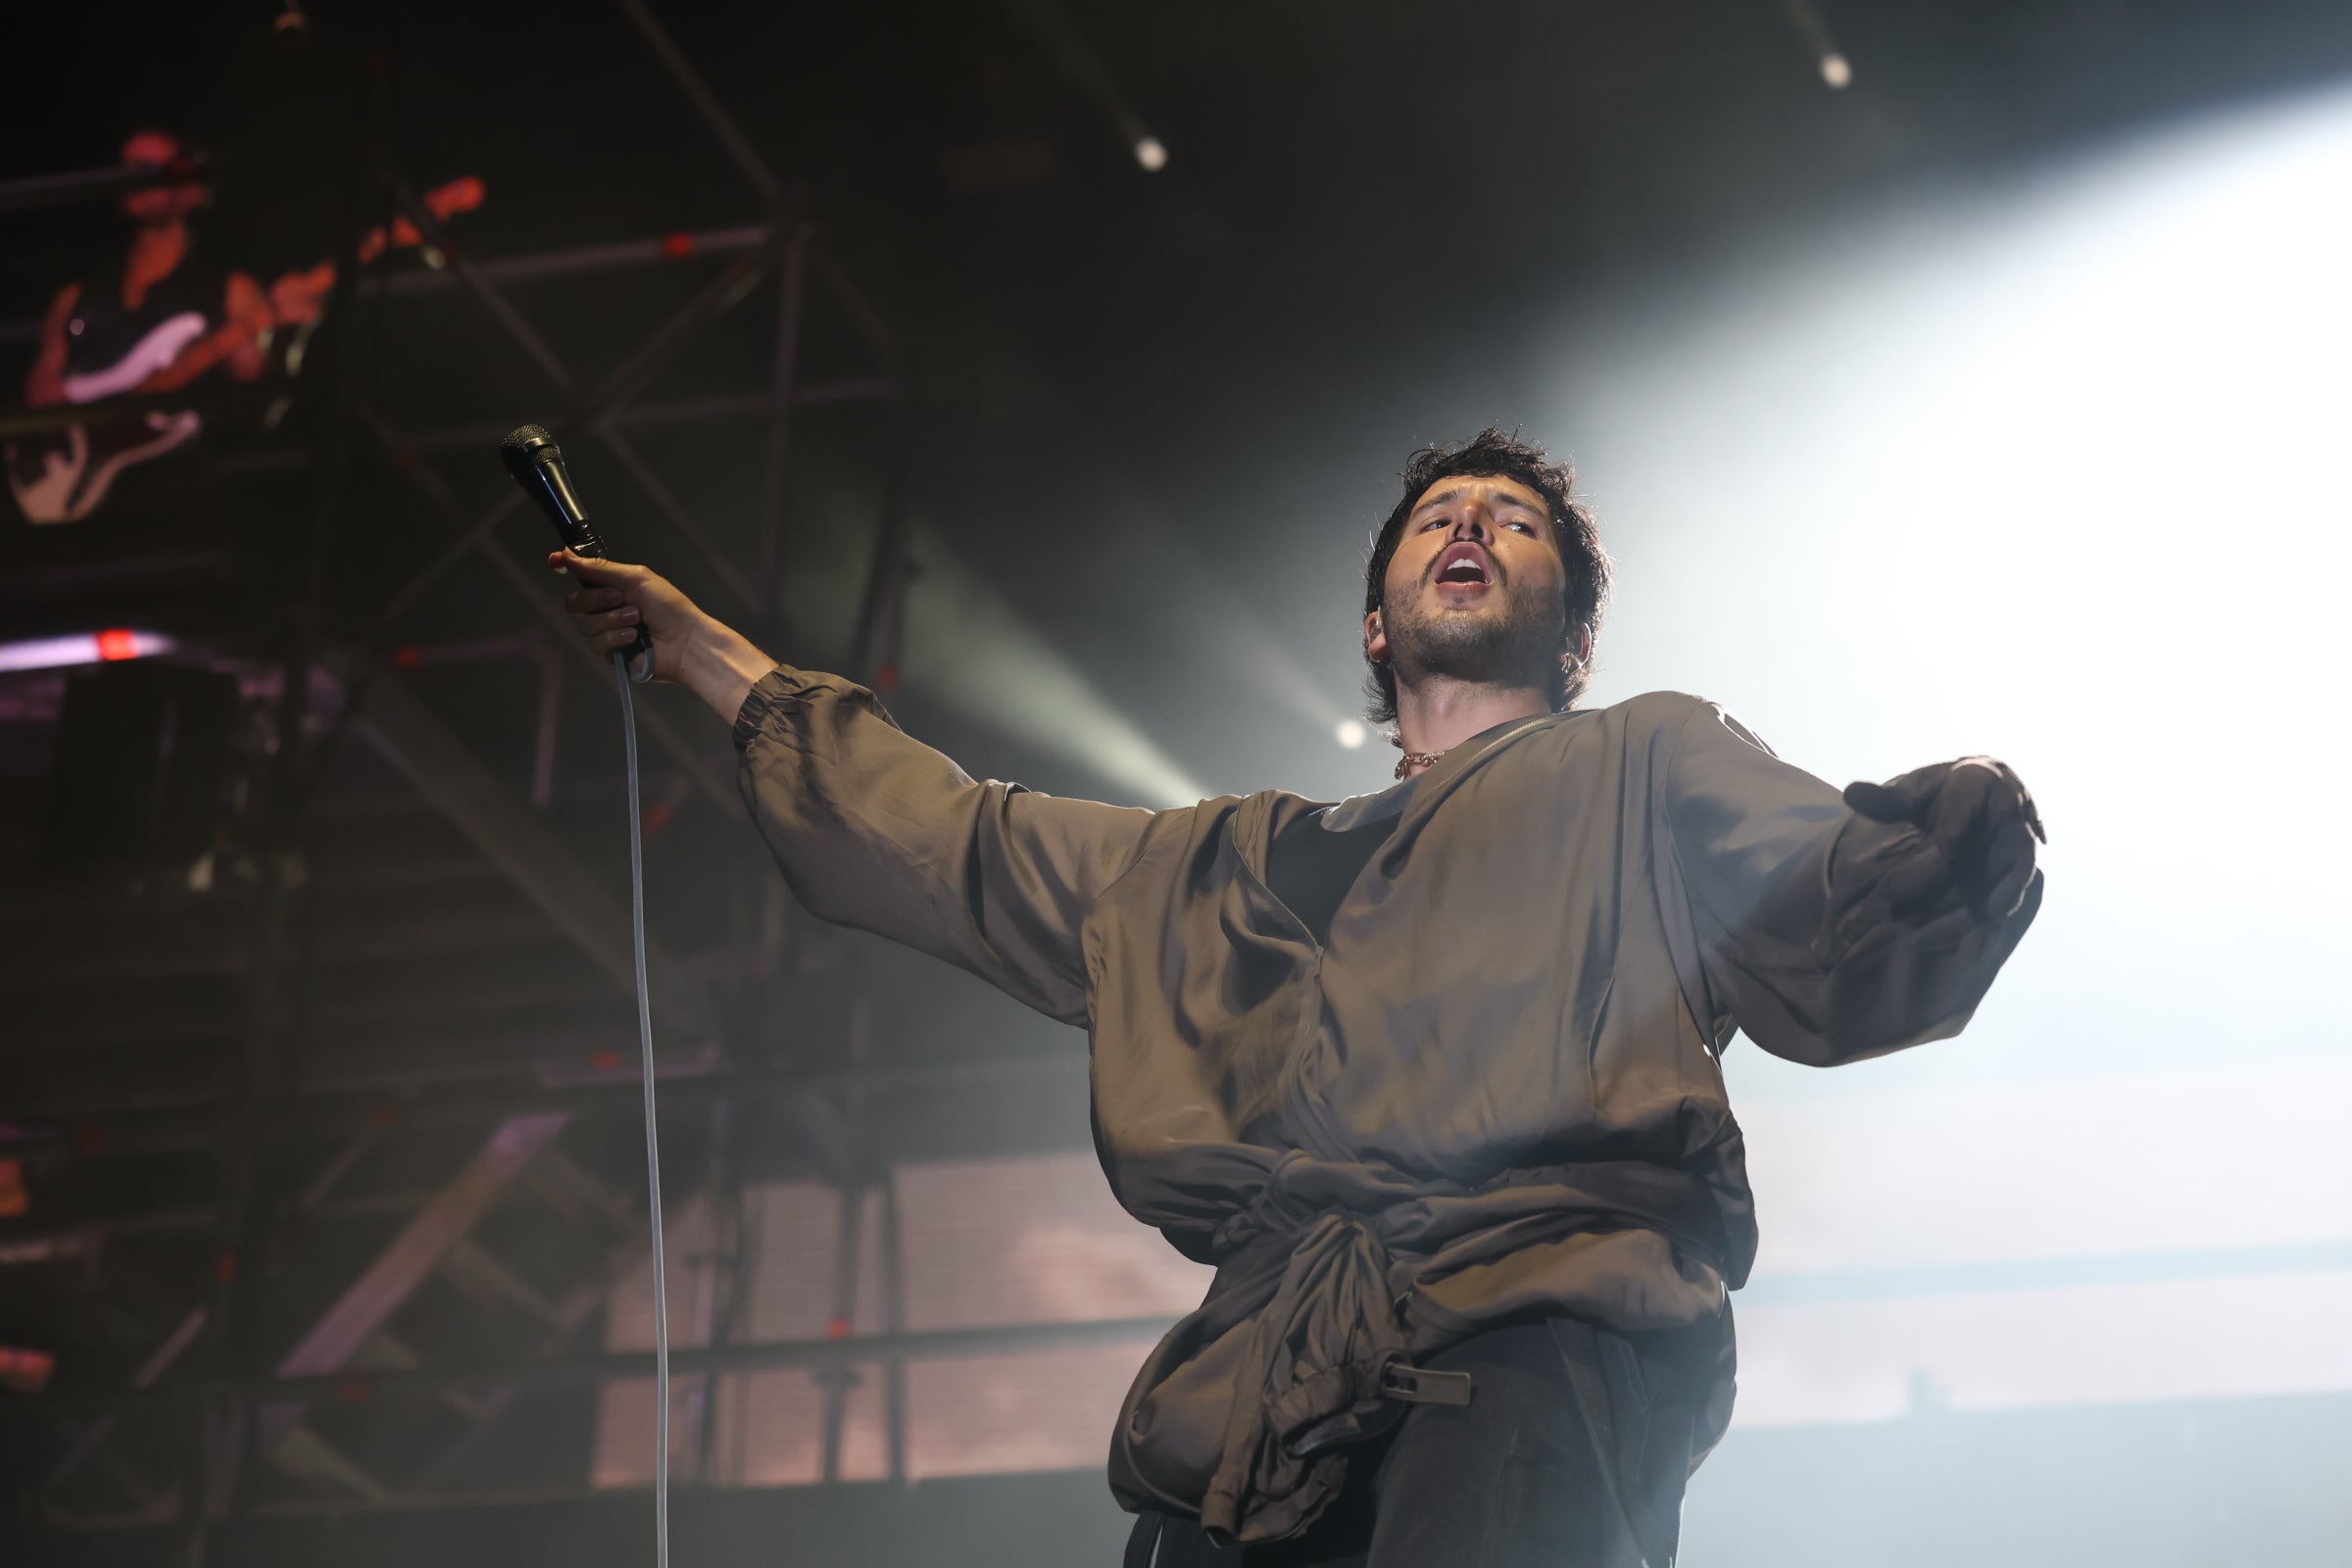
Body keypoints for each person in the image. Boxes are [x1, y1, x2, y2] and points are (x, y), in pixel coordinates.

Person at [553, 429, 2043, 1567]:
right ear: (1379, 627)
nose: (1470, 524)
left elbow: (1843, 920)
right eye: (1439, 516)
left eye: (1512, 523)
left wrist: (1955, 835)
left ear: (1573, 637)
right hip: (1264, 1403)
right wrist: (703, 651)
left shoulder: (1642, 764)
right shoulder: (1221, 867)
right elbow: (955, 840)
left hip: (1538, 1343)